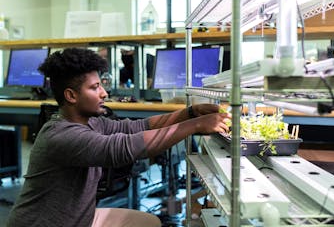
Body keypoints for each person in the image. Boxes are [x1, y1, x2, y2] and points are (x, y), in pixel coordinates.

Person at [6, 48, 231, 227]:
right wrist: (196, 125)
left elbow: (137, 127)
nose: (104, 93)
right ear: (71, 95)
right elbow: (125, 148)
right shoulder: (61, 136)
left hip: (79, 219)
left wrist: (188, 113)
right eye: (95, 88)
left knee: (148, 222)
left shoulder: (91, 121)